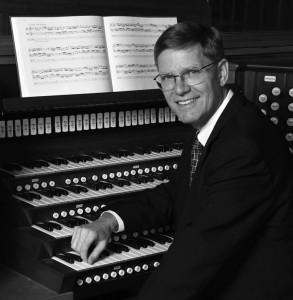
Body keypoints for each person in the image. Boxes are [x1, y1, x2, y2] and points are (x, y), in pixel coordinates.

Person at [71, 21, 293, 300]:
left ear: (222, 72)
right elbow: (178, 194)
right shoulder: (215, 122)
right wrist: (108, 221)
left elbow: (201, 249)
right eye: (168, 77)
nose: (179, 90)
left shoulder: (243, 146)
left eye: (191, 73)